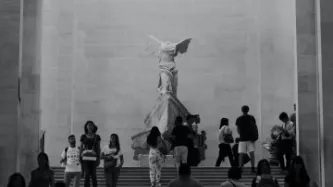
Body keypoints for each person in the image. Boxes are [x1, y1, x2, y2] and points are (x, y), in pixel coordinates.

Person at [131, 37, 193, 155]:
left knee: (170, 91)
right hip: (165, 68)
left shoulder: (169, 49)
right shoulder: (162, 47)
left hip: (172, 69)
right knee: (166, 90)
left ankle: (167, 95)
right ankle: (166, 95)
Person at [236, 105, 258, 172]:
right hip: (250, 139)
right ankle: (253, 168)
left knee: (241, 154)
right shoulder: (251, 118)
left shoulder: (239, 119)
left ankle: (240, 167)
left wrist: (241, 134)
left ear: (242, 110)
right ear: (248, 110)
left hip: (242, 139)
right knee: (252, 153)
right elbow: (254, 127)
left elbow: (238, 129)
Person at [80, 121, 101, 187]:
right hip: (85, 158)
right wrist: (80, 157)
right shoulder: (83, 136)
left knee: (94, 176)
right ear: (86, 127)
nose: (90, 126)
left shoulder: (97, 136)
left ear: (93, 127)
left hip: (94, 158)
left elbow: (98, 148)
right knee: (86, 175)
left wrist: (99, 159)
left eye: (91, 125)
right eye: (88, 125)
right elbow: (81, 147)